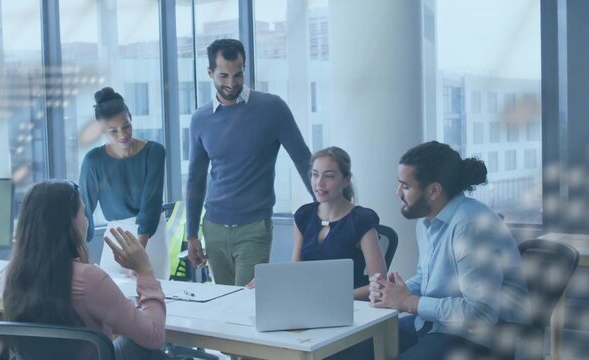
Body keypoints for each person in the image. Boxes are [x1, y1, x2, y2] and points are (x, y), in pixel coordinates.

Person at [369, 141, 530, 359]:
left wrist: (409, 302)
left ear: (434, 190)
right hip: (438, 325)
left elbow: (480, 313)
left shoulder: (469, 226)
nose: (398, 192)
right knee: (358, 347)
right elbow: (430, 278)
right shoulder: (426, 222)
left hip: (480, 337)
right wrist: (393, 292)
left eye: (405, 186)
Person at [186, 38, 313, 286]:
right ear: (210, 73)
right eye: (223, 76)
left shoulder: (272, 108)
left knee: (247, 305)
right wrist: (192, 234)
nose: (231, 83)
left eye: (238, 75)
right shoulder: (200, 119)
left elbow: (302, 158)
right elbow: (195, 179)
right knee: (223, 305)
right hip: (213, 227)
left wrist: (325, 206)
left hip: (254, 228)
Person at [2, 180, 167, 360]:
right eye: (83, 212)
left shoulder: (9, 276)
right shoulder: (89, 279)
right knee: (143, 346)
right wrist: (145, 271)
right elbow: (155, 336)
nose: (86, 220)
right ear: (69, 223)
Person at [79, 87, 167, 277]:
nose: (122, 135)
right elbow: (83, 210)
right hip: (115, 238)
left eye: (126, 126)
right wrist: (79, 257)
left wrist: (137, 258)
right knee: (110, 300)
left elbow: (150, 207)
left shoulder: (154, 152)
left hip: (149, 237)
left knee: (152, 298)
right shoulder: (93, 161)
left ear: (131, 117)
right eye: (113, 131)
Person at [290, 147, 386, 300]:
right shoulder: (304, 216)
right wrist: (271, 281)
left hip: (349, 306)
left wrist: (335, 297)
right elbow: (295, 272)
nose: (319, 183)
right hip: (309, 302)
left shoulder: (360, 221)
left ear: (346, 180)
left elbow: (380, 284)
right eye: (315, 175)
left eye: (329, 176)